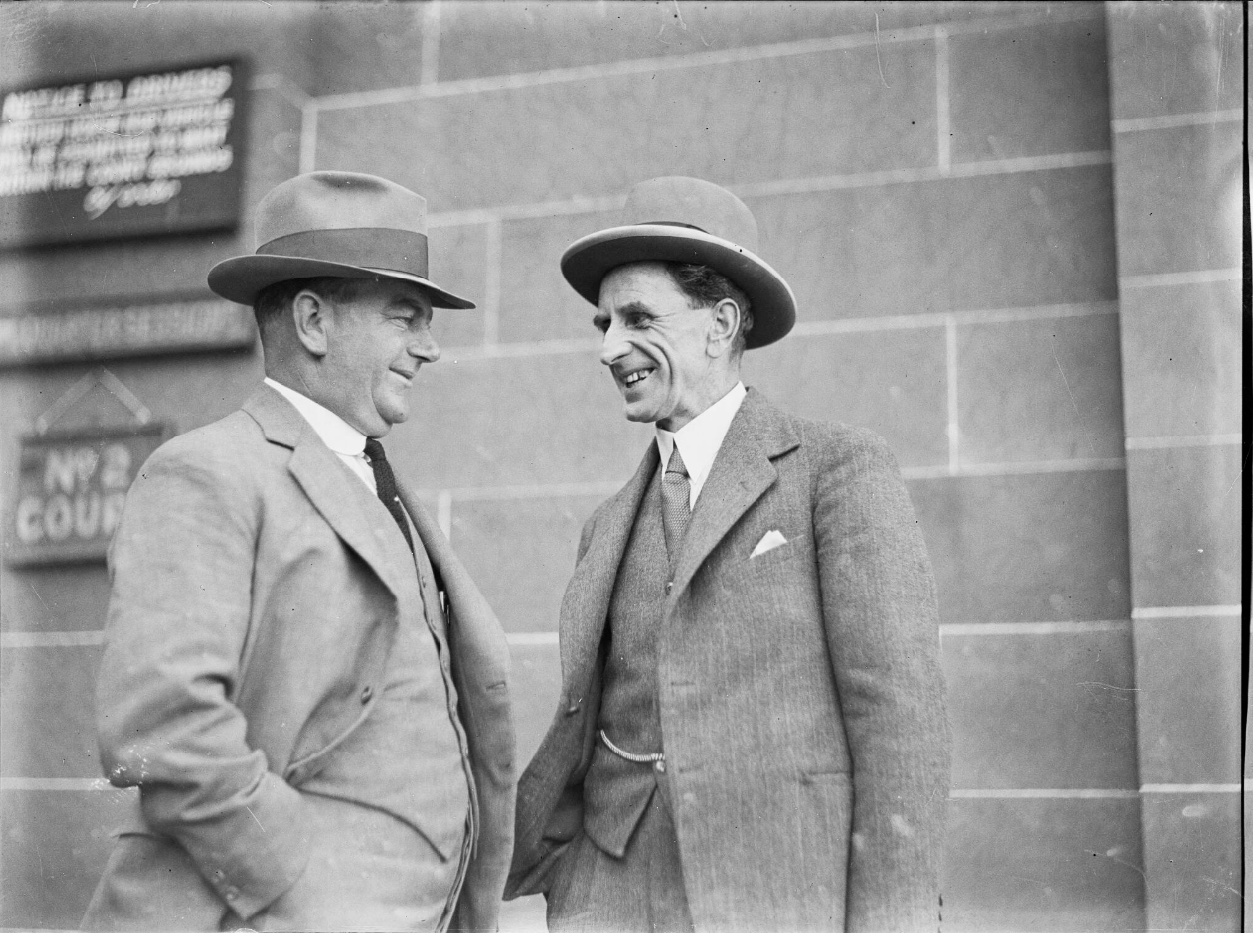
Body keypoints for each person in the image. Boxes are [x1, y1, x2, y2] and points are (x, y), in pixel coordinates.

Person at [506, 176, 951, 933]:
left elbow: (898, 720)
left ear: (721, 323)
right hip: (610, 895)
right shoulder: (606, 524)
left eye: (637, 317)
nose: (609, 346)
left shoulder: (834, 469)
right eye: (603, 322)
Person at [82, 171, 515, 932]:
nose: (430, 347)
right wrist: (303, 889)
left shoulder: (376, 475)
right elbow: (161, 727)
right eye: (406, 318)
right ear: (314, 321)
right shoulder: (206, 469)